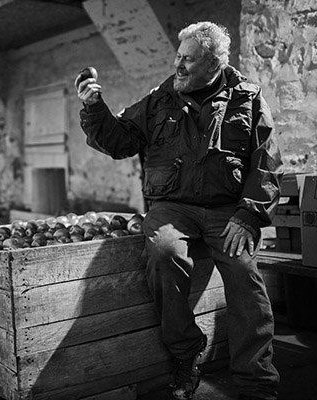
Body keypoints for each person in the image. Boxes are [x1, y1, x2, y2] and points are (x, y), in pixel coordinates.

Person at [75, 22, 283, 400]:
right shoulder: (159, 99)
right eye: (178, 56)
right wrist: (93, 108)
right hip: (172, 207)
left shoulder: (248, 98)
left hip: (227, 211)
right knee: (163, 252)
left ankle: (256, 381)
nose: (179, 65)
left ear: (214, 63)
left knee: (244, 274)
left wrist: (250, 214)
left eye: (188, 59)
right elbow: (120, 140)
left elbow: (266, 160)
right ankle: (186, 356)